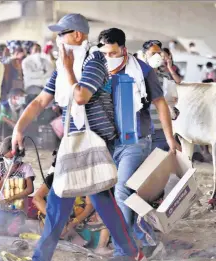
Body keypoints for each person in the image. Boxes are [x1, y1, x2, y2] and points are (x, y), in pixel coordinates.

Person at [11, 14, 147, 261]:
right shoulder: (62, 70)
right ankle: (130, 252)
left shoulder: (94, 61)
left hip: (92, 141)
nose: (58, 39)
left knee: (68, 199)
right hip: (74, 142)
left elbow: (81, 96)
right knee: (87, 199)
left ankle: (43, 257)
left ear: (77, 35)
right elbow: (41, 100)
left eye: (61, 34)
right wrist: (19, 128)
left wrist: (67, 68)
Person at [100, 29, 180, 259]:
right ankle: (139, 239)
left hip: (136, 141)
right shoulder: (99, 69)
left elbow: (161, 104)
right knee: (117, 194)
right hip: (108, 141)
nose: (110, 57)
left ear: (123, 49)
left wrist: (170, 138)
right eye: (106, 53)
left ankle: (123, 251)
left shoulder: (143, 71)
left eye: (114, 52)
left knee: (123, 190)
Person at [142, 40, 182, 152]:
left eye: (158, 53)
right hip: (143, 130)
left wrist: (173, 108)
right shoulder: (137, 76)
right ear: (145, 55)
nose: (156, 56)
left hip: (161, 130)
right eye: (152, 53)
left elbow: (171, 101)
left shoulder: (165, 78)